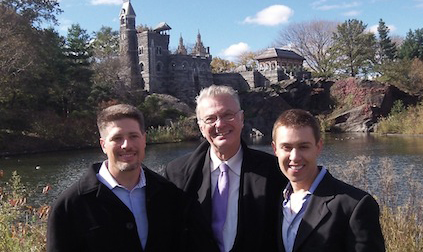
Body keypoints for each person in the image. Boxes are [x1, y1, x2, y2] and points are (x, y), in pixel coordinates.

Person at [47, 104, 217, 252]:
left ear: (144, 140)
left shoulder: (170, 195)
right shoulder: (70, 206)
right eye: (117, 138)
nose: (126, 145)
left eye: (133, 136)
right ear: (103, 145)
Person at [165, 85, 286, 252]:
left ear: (241, 119)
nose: (220, 124)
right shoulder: (177, 174)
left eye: (228, 115)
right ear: (201, 127)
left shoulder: (274, 171)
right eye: (210, 119)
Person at [271, 109, 385, 252]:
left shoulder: (355, 205)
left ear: (318, 147)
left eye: (303, 147)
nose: (295, 157)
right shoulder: (274, 201)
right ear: (275, 149)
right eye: (286, 147)